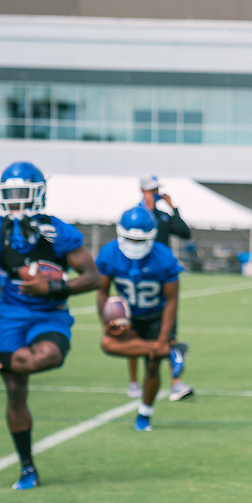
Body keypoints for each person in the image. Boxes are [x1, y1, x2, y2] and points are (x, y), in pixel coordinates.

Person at [0, 162, 99, 489]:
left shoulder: (57, 232)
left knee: (48, 356)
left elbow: (93, 277)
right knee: (16, 394)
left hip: (50, 314)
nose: (15, 200)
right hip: (12, 317)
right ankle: (27, 467)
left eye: (22, 193)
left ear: (38, 194)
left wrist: (53, 287)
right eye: (10, 194)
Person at [95, 206, 184, 431]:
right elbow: (102, 291)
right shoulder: (109, 253)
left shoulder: (164, 257)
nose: (134, 244)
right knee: (108, 343)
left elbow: (172, 300)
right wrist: (107, 323)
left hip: (156, 316)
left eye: (140, 240)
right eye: (130, 239)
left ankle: (144, 414)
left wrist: (163, 337)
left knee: (152, 366)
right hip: (129, 317)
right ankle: (171, 351)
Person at [124, 175, 193, 401]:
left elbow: (185, 233)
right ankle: (134, 383)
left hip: (160, 278)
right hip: (137, 277)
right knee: (132, 334)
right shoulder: (135, 215)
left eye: (156, 190)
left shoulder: (163, 216)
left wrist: (173, 208)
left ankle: (176, 382)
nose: (154, 194)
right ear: (143, 191)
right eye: (151, 190)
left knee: (168, 330)